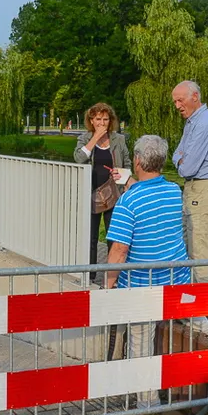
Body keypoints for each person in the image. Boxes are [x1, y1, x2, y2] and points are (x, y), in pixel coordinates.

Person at [105, 135, 191, 415]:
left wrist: (109, 282)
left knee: (141, 340)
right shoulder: (173, 191)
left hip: (143, 284)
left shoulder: (129, 201)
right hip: (175, 281)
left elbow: (119, 250)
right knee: (152, 336)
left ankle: (147, 405)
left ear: (138, 161)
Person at [171, 81, 208, 285]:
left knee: (199, 248)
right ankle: (188, 301)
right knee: (188, 244)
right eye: (175, 101)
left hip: (203, 187)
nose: (177, 105)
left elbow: (187, 168)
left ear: (195, 97)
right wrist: (181, 158)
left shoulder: (204, 125)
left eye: (180, 100)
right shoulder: (192, 122)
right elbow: (177, 154)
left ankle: (201, 310)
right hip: (194, 188)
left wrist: (181, 159)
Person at [73, 103, 132, 283]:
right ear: (91, 120)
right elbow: (78, 158)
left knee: (113, 238)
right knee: (90, 238)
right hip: (90, 195)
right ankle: (90, 277)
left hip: (113, 194)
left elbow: (128, 164)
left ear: (110, 121)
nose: (102, 123)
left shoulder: (118, 140)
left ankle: (112, 278)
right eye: (98, 119)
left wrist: (121, 174)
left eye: (105, 119)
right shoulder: (85, 139)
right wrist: (95, 139)